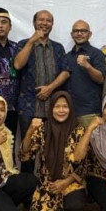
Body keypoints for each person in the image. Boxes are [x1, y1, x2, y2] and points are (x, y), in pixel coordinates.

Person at [21, 92, 90, 211]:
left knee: (76, 205)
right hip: (48, 186)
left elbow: (83, 165)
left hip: (70, 183)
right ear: (51, 109)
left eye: (65, 106)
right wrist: (30, 131)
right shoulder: (43, 129)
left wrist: (65, 182)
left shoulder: (78, 131)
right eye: (57, 106)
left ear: (70, 109)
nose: (61, 110)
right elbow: (25, 154)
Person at [14, 10, 70, 171]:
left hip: (52, 108)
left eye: (48, 20)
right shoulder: (23, 44)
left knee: (51, 150)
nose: (44, 23)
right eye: (41, 20)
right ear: (34, 23)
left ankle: (48, 186)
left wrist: (50, 88)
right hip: (28, 106)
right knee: (28, 150)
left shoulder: (58, 48)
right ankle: (28, 187)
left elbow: (66, 71)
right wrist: (31, 42)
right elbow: (17, 65)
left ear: (52, 24)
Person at [64, 20, 106, 127]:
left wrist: (88, 66)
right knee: (71, 143)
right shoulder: (67, 56)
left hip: (89, 111)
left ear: (90, 34)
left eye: (83, 31)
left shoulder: (96, 53)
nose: (79, 33)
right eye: (76, 31)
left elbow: (100, 79)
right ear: (72, 34)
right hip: (68, 111)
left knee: (90, 143)